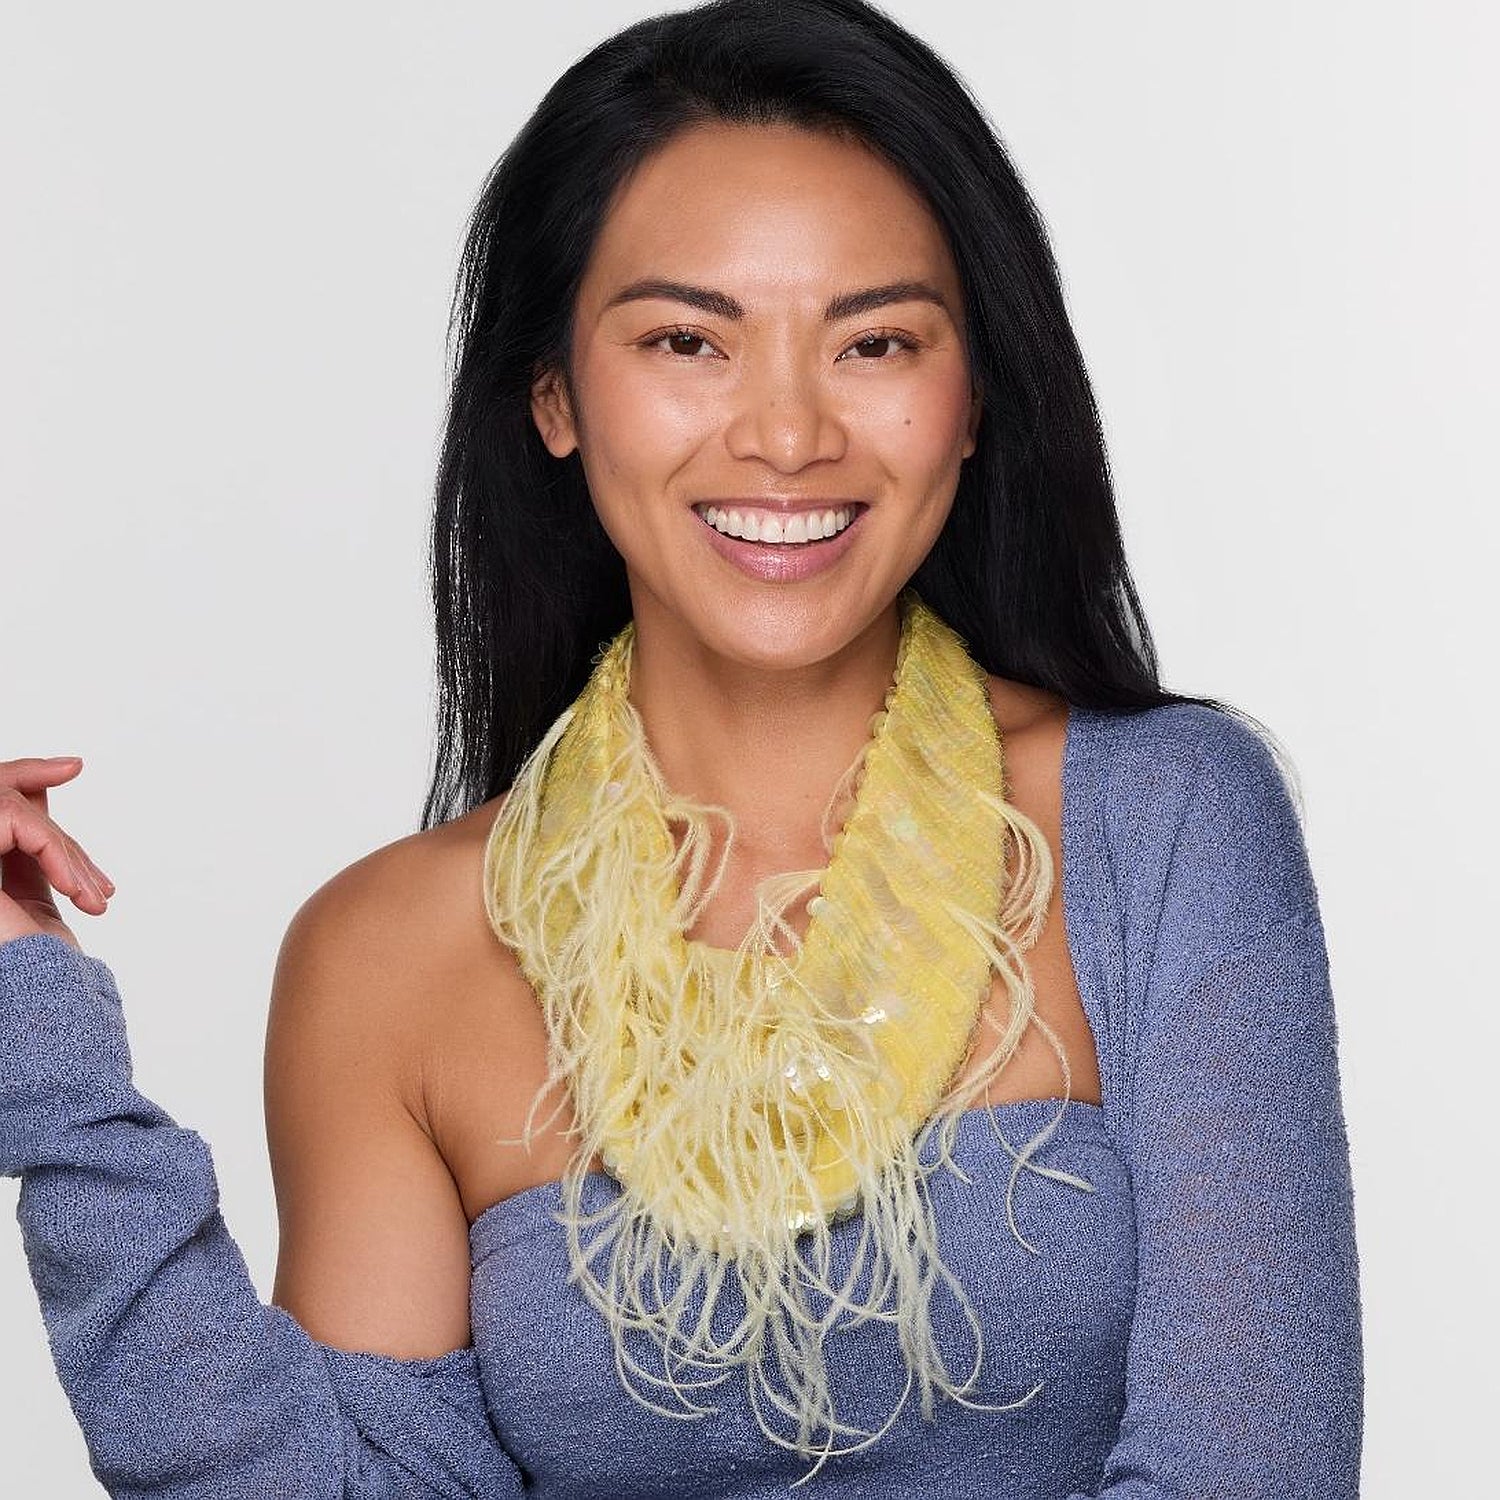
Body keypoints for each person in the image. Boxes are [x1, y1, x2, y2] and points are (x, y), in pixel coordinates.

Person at [0, 0, 1363, 1494]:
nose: (787, 434)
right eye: (686, 341)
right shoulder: (384, 954)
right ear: (555, 398)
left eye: (878, 341)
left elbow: (1254, 1469)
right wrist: (47, 1058)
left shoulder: (1160, 821)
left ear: (973, 402)